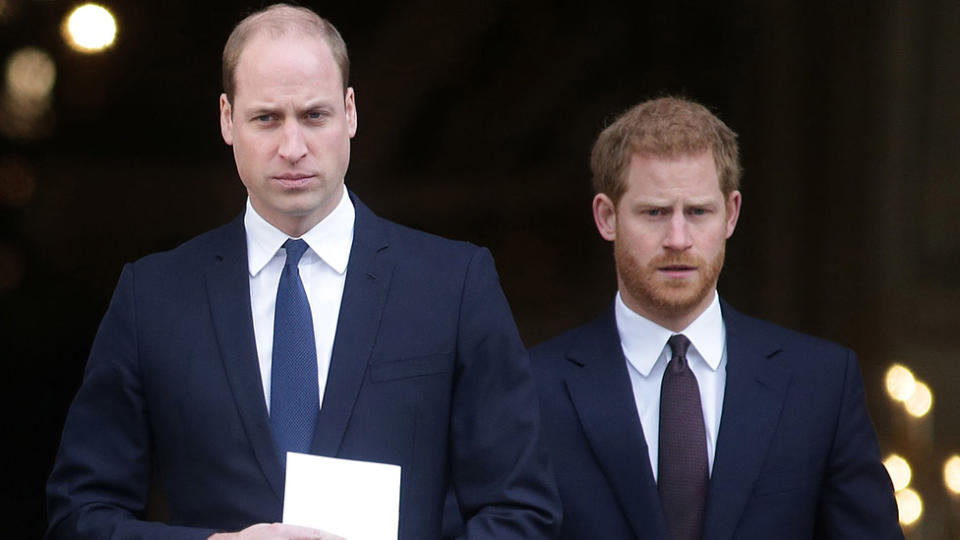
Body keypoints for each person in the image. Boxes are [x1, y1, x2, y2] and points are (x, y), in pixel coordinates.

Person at [46, 4, 560, 539]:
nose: (293, 148)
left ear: (350, 111)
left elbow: (521, 511)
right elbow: (79, 515)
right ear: (227, 118)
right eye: (267, 118)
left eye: (314, 116)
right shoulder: (152, 295)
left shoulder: (452, 284)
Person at [530, 96, 902, 539]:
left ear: (732, 213)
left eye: (698, 212)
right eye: (655, 213)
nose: (678, 238)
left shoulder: (819, 384)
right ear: (607, 217)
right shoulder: (531, 389)